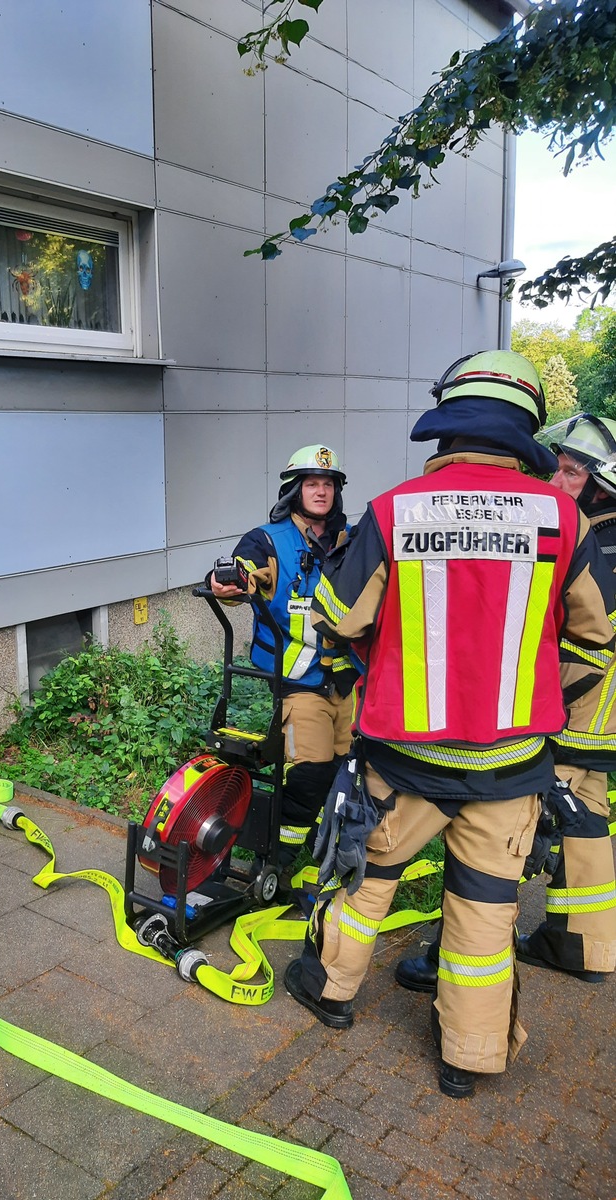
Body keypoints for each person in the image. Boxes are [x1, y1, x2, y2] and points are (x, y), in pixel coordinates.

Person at [282, 351, 615, 1099]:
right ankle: (469, 1053)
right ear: (525, 429)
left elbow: (340, 616)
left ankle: (330, 990)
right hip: (514, 761)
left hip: (404, 760)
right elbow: (598, 632)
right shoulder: (565, 516)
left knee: (369, 880)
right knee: (488, 909)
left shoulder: (396, 510)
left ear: (449, 423)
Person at [396, 413, 616, 993]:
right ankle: (581, 946)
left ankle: (454, 955)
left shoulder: (588, 540)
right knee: (587, 828)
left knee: (503, 848)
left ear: (600, 485)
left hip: (567, 719)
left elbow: (585, 637)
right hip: (601, 731)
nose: (556, 479)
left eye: (569, 472)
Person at [208, 445, 356, 894]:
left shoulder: (352, 537)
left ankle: (323, 853)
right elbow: (239, 574)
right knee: (309, 774)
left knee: (348, 771)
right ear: (295, 490)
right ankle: (275, 862)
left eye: (328, 484)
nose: (321, 491)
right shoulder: (269, 540)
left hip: (349, 680)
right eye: (312, 483)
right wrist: (228, 582)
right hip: (298, 683)